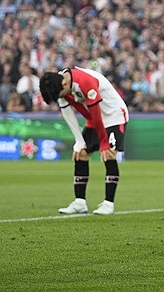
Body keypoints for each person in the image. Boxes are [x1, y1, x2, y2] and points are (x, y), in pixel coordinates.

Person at [39, 67, 129, 215]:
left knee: (108, 154)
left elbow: (96, 115)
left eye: (61, 95)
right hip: (94, 118)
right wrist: (79, 141)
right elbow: (69, 114)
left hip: (114, 115)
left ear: (65, 85)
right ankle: (80, 203)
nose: (62, 97)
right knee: (81, 153)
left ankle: (108, 204)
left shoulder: (85, 82)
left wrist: (104, 142)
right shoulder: (58, 85)